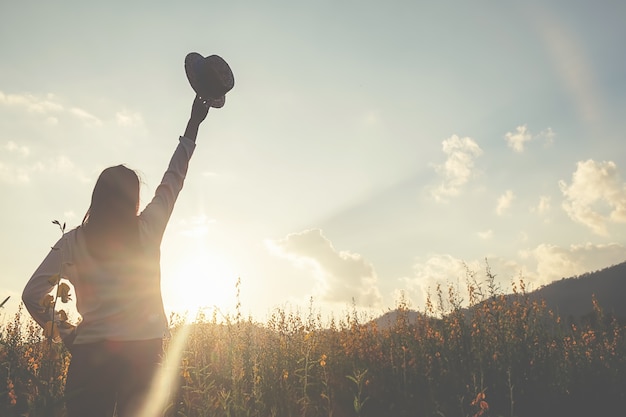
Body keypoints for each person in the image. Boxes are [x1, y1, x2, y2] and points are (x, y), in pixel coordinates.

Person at [22, 95, 212, 417]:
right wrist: (193, 124)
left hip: (90, 358)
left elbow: (31, 294)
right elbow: (173, 179)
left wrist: (66, 333)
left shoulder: (72, 242)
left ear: (96, 198)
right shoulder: (148, 229)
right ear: (133, 201)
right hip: (143, 356)